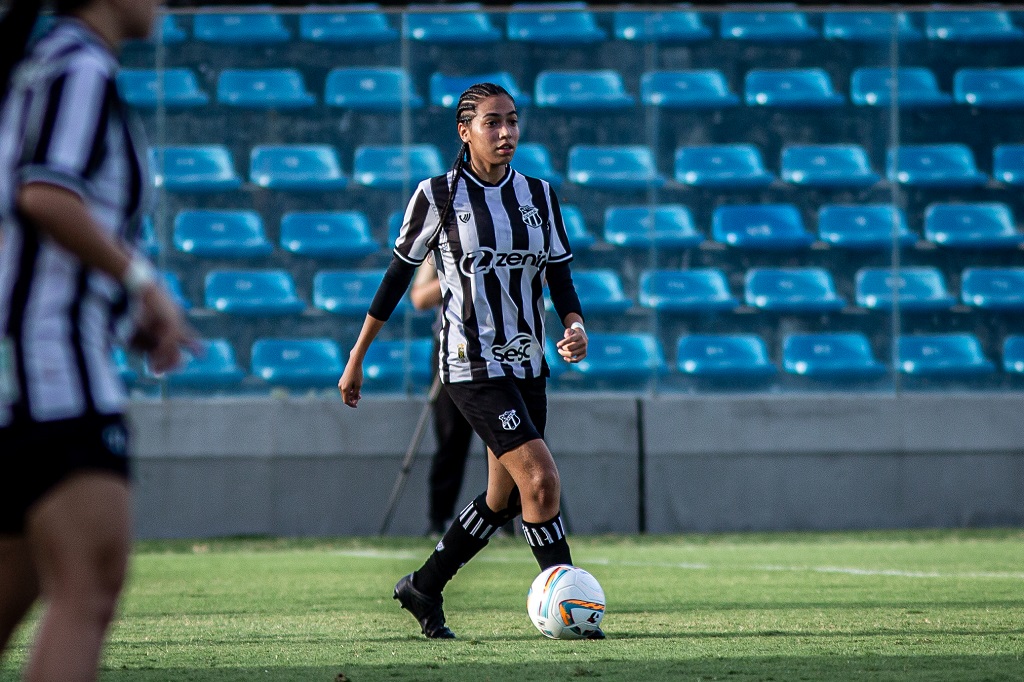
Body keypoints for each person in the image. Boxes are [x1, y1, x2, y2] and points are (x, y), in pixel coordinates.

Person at [340, 82, 601, 640]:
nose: (506, 132)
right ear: (465, 132)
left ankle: (423, 587)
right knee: (542, 480)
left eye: (512, 121)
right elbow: (396, 280)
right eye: (492, 123)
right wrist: (358, 355)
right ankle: (571, 610)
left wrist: (575, 325)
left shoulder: (539, 196)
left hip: (528, 363)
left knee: (502, 499)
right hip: (469, 364)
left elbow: (560, 276)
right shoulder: (437, 196)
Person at [0, 1, 191, 679]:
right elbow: (45, 194)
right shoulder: (78, 68)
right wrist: (144, 283)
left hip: (32, 363)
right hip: (51, 369)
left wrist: (124, 307)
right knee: (91, 580)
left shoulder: (50, 65)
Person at [410, 258, 476, 538]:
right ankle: (439, 520)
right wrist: (458, 277)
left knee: (507, 438)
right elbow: (419, 298)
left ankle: (510, 521)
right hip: (455, 345)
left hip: (502, 342)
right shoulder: (439, 241)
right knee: (451, 436)